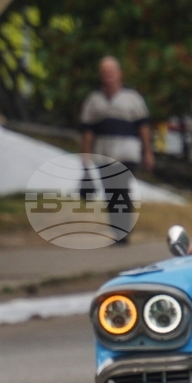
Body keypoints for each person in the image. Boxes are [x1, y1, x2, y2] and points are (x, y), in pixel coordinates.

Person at [79, 56, 154, 243]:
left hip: (127, 153)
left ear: (119, 74)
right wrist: (86, 157)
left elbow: (143, 127)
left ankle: (123, 230)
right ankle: (118, 231)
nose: (108, 77)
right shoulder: (94, 100)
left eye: (111, 73)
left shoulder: (132, 98)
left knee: (121, 188)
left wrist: (147, 151)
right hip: (104, 155)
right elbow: (88, 131)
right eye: (104, 73)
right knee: (110, 192)